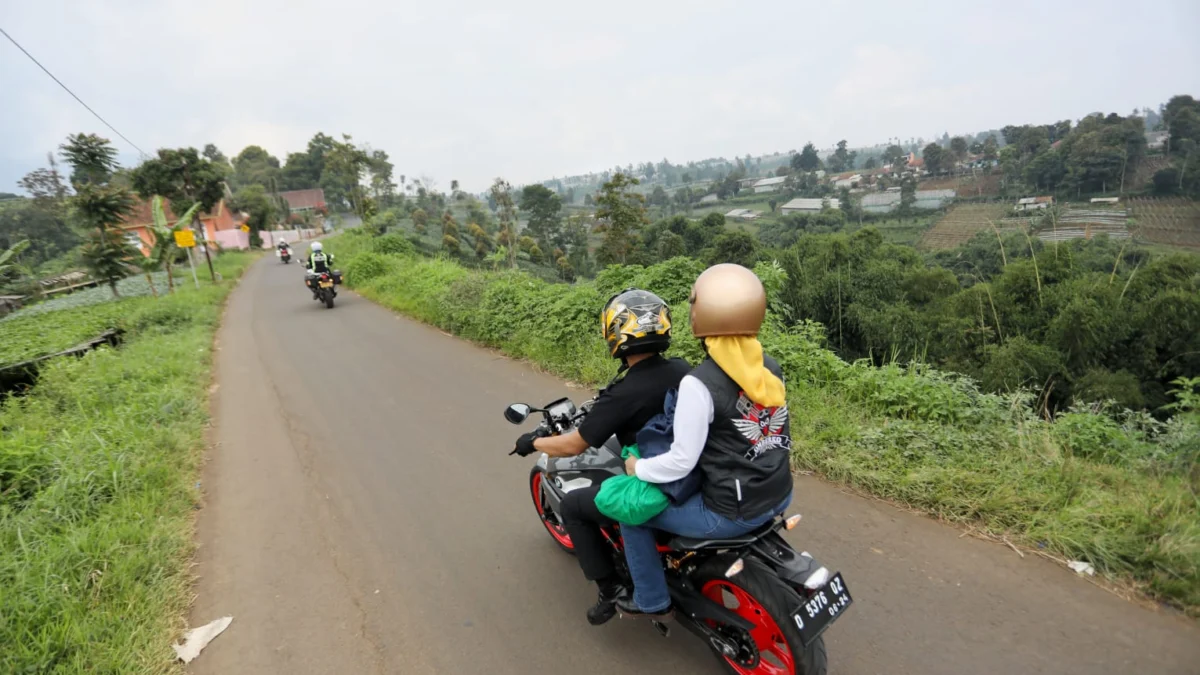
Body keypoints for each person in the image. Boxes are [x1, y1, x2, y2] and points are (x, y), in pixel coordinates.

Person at [615, 264, 794, 618]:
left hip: (730, 512)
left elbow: (681, 460)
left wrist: (638, 467)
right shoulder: (769, 366)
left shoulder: (699, 384)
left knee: (630, 513)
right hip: (778, 492)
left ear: (702, 316)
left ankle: (650, 599)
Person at [511, 288, 689, 625]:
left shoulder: (625, 393)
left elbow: (574, 445)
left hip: (656, 478)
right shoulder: (683, 370)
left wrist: (532, 444)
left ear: (616, 333)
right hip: (691, 467)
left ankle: (611, 589)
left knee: (574, 507)